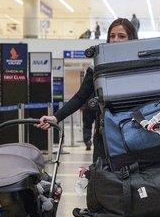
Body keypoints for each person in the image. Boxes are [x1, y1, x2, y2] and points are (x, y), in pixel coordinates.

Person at [36, 18, 138, 162]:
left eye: (121, 36)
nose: (115, 40)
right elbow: (80, 96)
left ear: (131, 38)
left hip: (133, 130)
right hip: (105, 131)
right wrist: (56, 117)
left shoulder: (139, 65)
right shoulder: (96, 66)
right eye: (112, 35)